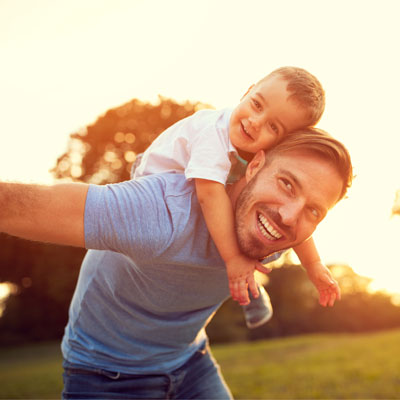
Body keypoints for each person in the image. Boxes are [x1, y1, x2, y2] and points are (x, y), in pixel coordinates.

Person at [0, 129, 353, 399]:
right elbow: (14, 205)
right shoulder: (161, 212)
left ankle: (252, 292)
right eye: (287, 183)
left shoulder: (274, 229)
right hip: (105, 374)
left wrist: (315, 267)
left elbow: (297, 225)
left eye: (314, 211)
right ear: (255, 165)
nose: (290, 217)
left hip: (189, 360)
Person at [132, 66, 339, 329]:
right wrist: (233, 259)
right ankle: (245, 288)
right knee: (228, 236)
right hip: (157, 189)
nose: (255, 121)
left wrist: (314, 265)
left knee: (261, 224)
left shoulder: (258, 151)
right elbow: (208, 194)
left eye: (273, 126)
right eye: (256, 104)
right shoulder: (212, 133)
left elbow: (295, 213)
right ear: (248, 91)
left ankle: (249, 291)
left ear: (282, 143)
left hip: (198, 192)